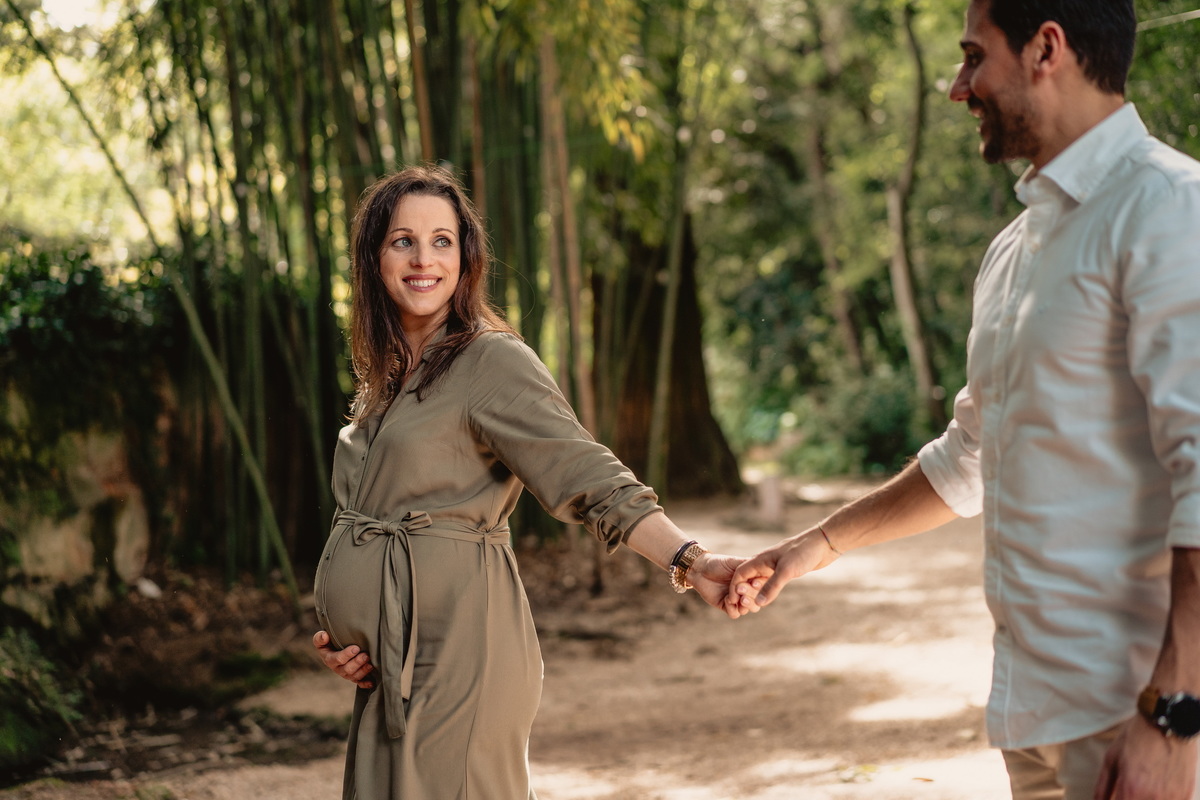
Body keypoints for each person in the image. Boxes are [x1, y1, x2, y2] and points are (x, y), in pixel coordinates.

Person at [728, 1, 1200, 799]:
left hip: (1141, 715)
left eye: (974, 56)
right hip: (1035, 715)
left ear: (1047, 47)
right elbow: (970, 455)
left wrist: (1175, 718)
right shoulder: (1013, 252)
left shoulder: (1170, 209)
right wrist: (812, 547)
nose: (957, 86)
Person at [308, 164, 743, 800]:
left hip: (461, 647)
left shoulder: (489, 359)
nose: (423, 258)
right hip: (388, 670)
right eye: (403, 240)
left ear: (466, 258)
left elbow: (589, 475)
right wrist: (345, 635)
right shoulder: (387, 376)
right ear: (374, 258)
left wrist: (690, 560)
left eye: (442, 241)